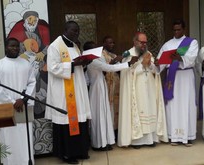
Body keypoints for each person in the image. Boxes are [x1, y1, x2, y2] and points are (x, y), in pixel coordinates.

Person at [45, 21, 92, 164]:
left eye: (77, 31)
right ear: (65, 30)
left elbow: (77, 67)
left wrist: (84, 64)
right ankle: (68, 154)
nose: (76, 33)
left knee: (79, 118)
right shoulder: (55, 46)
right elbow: (52, 67)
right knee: (67, 120)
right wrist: (73, 64)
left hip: (77, 87)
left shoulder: (75, 46)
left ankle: (80, 150)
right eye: (73, 31)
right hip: (64, 91)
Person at [118, 32, 168, 148]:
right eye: (141, 42)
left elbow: (156, 71)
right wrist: (141, 66)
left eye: (145, 42)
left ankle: (151, 139)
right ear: (135, 42)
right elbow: (125, 73)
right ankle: (137, 141)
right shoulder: (128, 54)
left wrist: (151, 65)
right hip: (136, 89)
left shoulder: (148, 53)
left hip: (149, 88)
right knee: (139, 112)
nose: (144, 45)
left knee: (150, 110)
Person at [85, 41, 138, 151]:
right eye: (94, 48)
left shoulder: (97, 58)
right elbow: (108, 68)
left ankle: (105, 141)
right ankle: (97, 144)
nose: (98, 49)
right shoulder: (92, 60)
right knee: (98, 116)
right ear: (89, 50)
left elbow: (110, 65)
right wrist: (128, 64)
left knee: (104, 115)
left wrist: (123, 61)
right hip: (96, 89)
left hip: (101, 85)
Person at [0, 38, 36, 165]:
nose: (15, 48)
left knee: (24, 138)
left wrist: (22, 100)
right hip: (7, 109)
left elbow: (32, 82)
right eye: (12, 46)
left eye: (17, 46)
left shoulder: (26, 64)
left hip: (23, 108)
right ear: (6, 47)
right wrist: (12, 102)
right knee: (8, 139)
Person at [157, 19, 198, 147]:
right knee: (173, 105)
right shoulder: (167, 44)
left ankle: (188, 136)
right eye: (174, 30)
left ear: (184, 29)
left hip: (185, 75)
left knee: (187, 103)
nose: (176, 32)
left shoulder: (192, 42)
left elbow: (192, 59)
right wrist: (156, 64)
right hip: (172, 78)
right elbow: (161, 62)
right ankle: (173, 136)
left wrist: (179, 57)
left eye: (179, 29)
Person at [102, 36, 121, 133]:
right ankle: (109, 131)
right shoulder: (101, 54)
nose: (112, 44)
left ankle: (116, 130)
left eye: (113, 42)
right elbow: (104, 68)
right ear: (104, 43)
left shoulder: (114, 55)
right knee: (109, 107)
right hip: (107, 83)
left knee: (116, 107)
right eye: (109, 43)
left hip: (116, 82)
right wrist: (113, 61)